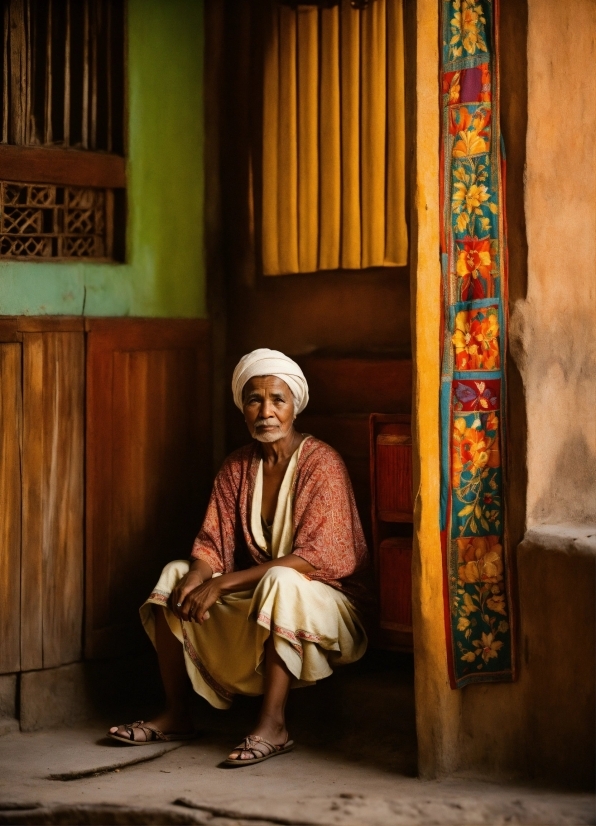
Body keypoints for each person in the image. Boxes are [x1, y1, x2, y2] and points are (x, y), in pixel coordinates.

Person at [109, 348, 370, 765]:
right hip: (265, 592)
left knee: (281, 580)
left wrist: (222, 583)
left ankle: (274, 725)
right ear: (242, 409)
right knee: (174, 574)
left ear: (294, 407)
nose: (266, 411)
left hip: (329, 604)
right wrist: (198, 575)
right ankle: (177, 714)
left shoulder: (323, 464)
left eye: (277, 400)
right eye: (254, 400)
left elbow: (317, 556)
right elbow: (211, 544)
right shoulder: (236, 468)